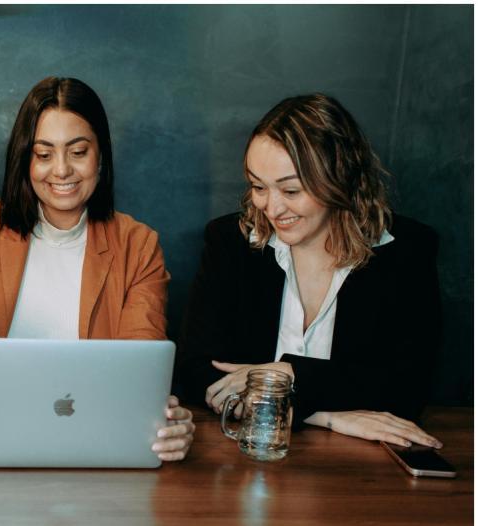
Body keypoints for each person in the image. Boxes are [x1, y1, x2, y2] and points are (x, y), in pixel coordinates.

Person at [0, 77, 194, 461]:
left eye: (78, 151)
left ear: (100, 156)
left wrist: (161, 417)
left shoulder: (138, 246)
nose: (62, 170)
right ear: (25, 160)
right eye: (44, 153)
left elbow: (140, 369)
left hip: (92, 439)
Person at [175, 93, 443, 448]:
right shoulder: (231, 242)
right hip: (246, 453)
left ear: (339, 178)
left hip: (357, 472)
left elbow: (405, 387)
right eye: (258, 186)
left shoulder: (406, 249)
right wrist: (324, 415)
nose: (271, 207)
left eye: (291, 190)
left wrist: (286, 372)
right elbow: (200, 373)